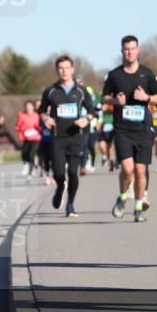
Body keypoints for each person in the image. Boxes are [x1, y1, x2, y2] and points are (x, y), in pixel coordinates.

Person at [102, 36, 157, 222]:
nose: (129, 52)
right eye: (126, 49)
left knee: (140, 171)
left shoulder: (147, 74)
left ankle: (138, 208)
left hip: (143, 129)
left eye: (132, 48)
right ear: (122, 51)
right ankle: (122, 197)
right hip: (123, 130)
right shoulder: (114, 75)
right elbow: (104, 98)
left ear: (138, 50)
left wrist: (146, 98)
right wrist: (114, 101)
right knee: (127, 169)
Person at [39, 57, 95, 218]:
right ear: (57, 70)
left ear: (72, 69)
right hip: (58, 138)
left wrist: (86, 119)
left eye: (67, 67)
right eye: (61, 68)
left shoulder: (81, 91)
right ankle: (59, 188)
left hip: (76, 137)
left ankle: (70, 204)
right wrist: (46, 118)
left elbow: (92, 111)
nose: (64, 71)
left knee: (72, 172)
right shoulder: (51, 91)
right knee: (58, 173)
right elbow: (42, 110)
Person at [15, 100, 42, 176]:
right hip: (25, 137)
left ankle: (32, 168)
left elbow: (40, 126)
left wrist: (38, 128)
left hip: (36, 138)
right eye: (26, 106)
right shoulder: (21, 115)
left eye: (30, 106)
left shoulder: (37, 115)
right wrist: (22, 128)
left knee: (31, 154)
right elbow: (17, 126)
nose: (28, 108)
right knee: (24, 154)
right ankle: (27, 165)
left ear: (33, 107)